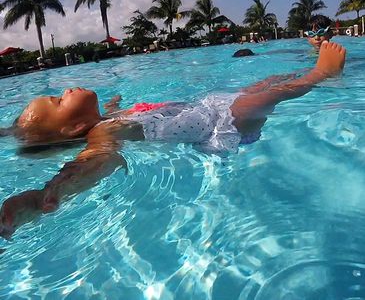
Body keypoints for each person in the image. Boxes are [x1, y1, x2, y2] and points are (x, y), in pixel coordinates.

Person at [0, 42, 346, 239]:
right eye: (59, 101)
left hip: (209, 105)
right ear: (74, 129)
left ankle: (304, 60)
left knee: (262, 83)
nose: (65, 91)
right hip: (219, 124)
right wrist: (48, 193)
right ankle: (320, 73)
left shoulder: (105, 118)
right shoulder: (103, 133)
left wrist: (115, 106)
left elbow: (105, 117)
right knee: (259, 99)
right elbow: (94, 162)